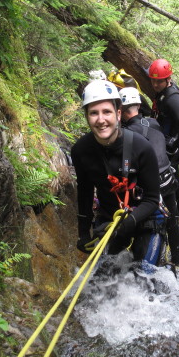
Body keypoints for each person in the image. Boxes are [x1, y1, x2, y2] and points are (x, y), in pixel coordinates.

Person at [70, 79, 163, 268]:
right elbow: (85, 192)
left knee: (144, 277)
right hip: (109, 219)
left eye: (107, 112)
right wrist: (83, 233)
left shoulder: (141, 147)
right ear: (87, 117)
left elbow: (152, 199)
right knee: (104, 280)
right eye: (93, 113)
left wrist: (130, 222)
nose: (101, 119)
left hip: (146, 218)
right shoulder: (81, 150)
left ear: (118, 114)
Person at [119, 86, 179, 268]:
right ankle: (176, 261)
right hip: (168, 179)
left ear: (121, 110)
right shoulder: (154, 124)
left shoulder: (127, 135)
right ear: (139, 105)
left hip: (149, 185)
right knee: (172, 220)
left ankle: (137, 254)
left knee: (142, 218)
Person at [148, 58, 179, 224]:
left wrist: (173, 145)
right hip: (167, 142)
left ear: (168, 79)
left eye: (159, 81)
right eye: (153, 80)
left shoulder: (172, 99)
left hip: (172, 145)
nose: (155, 84)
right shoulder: (164, 93)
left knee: (173, 176)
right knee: (174, 175)